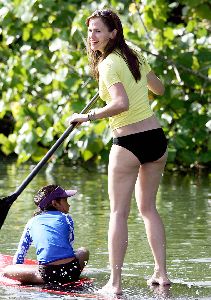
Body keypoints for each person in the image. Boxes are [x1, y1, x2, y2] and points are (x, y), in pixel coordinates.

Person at [68, 8, 171, 295]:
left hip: (129, 142)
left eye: (98, 30)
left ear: (113, 33)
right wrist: (135, 81)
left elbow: (121, 103)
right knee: (148, 209)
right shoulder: (134, 52)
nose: (92, 36)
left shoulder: (108, 64)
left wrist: (85, 117)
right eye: (89, 31)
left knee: (118, 213)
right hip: (156, 139)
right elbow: (159, 89)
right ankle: (162, 274)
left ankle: (114, 284)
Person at [3, 185, 89, 285]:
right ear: (54, 203)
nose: (69, 205)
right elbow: (70, 245)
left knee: (7, 270)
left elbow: (20, 253)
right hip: (71, 270)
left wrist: (17, 268)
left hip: (47, 275)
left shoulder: (31, 222)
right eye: (65, 200)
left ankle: (39, 277)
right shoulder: (67, 218)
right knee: (84, 251)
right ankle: (72, 275)